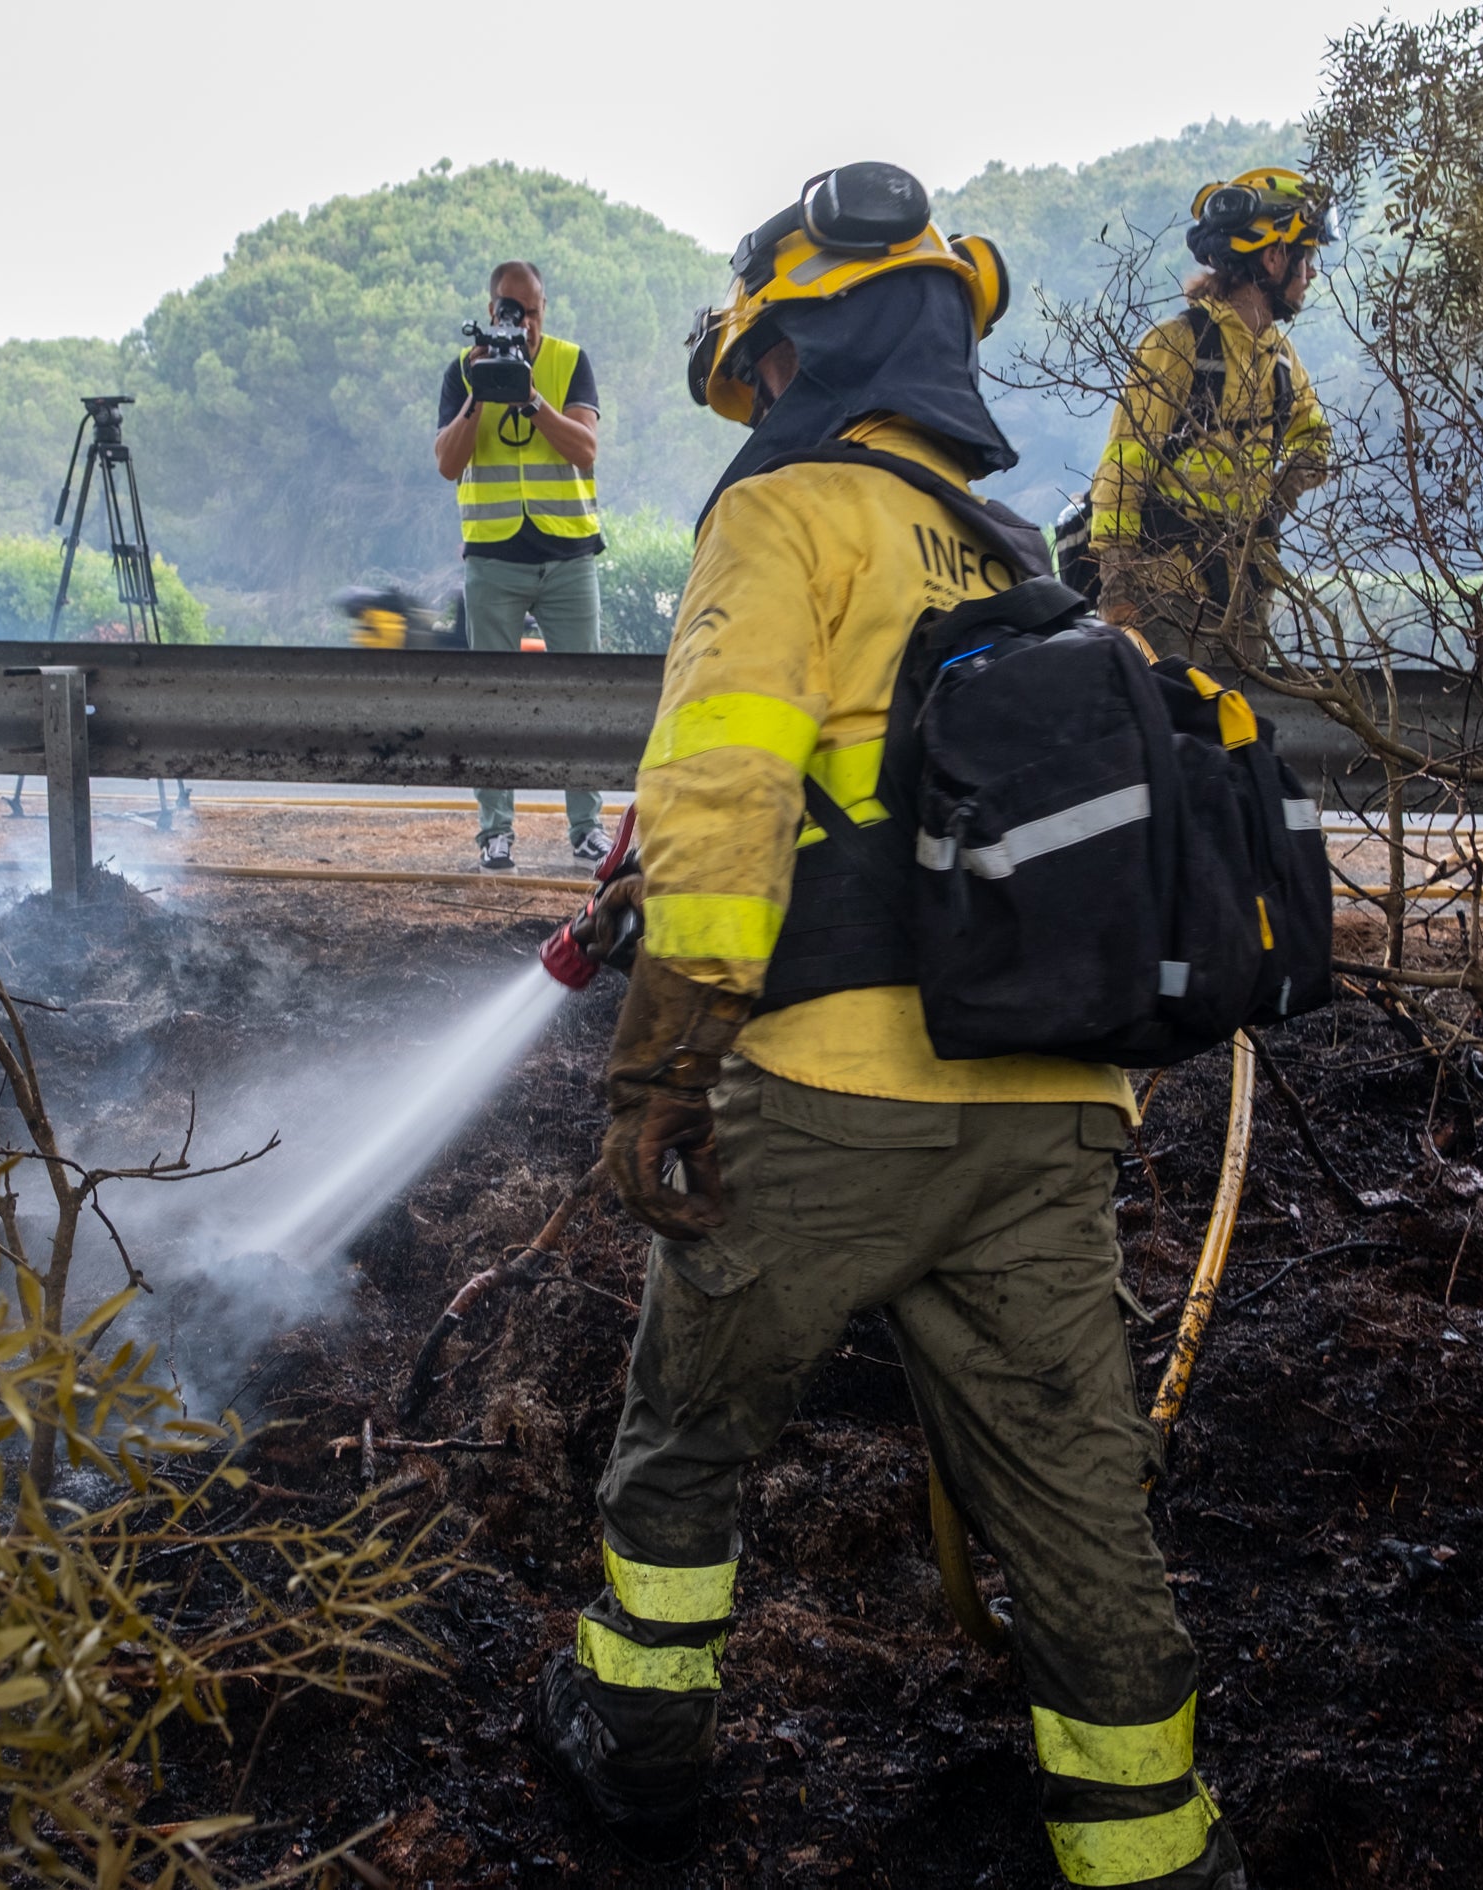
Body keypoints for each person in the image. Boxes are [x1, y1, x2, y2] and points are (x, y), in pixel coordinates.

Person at [535, 162, 1248, 1890]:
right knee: (1076, 1499)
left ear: (808, 348)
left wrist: (663, 1063)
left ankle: (633, 1760)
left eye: (762, 364)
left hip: (829, 1096)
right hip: (1052, 1110)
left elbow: (720, 797)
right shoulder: (1018, 553)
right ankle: (1151, 1853)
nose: (757, 396)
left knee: (687, 1440)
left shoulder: (786, 514)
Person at [1081, 168, 1332, 665]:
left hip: (1244, 599)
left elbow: (1317, 439)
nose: (1312, 275)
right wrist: (1117, 591)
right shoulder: (1176, 345)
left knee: (1240, 736)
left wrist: (1277, 500)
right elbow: (1121, 472)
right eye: (1305, 259)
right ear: (1274, 256)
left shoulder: (1280, 359)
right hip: (1166, 599)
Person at [432, 261, 609, 871]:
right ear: (490, 312)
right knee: (493, 697)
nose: (522, 322)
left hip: (568, 556)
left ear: (543, 310)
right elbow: (447, 464)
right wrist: (483, 393)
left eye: (531, 311)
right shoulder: (461, 371)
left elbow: (585, 449)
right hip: (494, 558)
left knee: (581, 695)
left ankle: (587, 826)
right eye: (511, 310)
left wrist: (530, 396)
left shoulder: (568, 360)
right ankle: (495, 833)